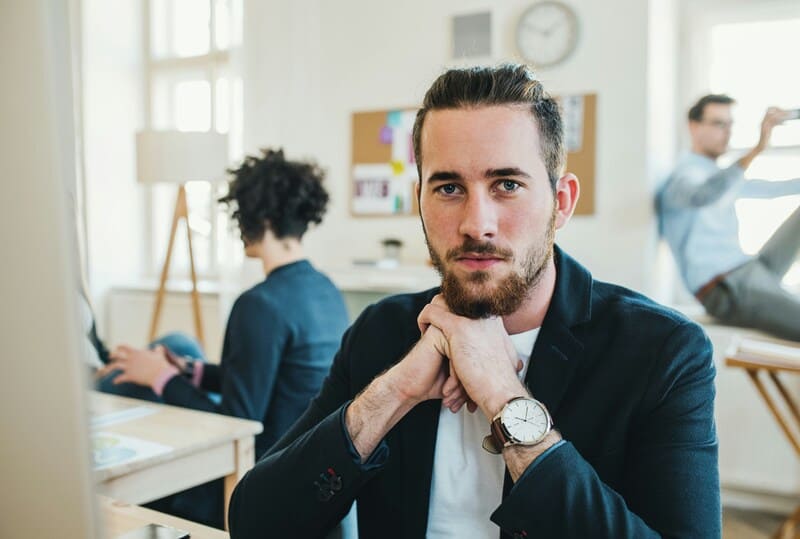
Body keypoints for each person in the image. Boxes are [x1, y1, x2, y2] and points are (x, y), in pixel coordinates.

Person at [228, 64, 720, 538]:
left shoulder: (663, 351)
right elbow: (254, 523)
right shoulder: (384, 330)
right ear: (420, 199)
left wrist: (506, 397)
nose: (475, 224)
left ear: (562, 202)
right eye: (448, 188)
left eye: (507, 185)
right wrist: (392, 394)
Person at [97, 148, 350, 528]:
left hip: (258, 477)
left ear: (258, 218)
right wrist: (188, 370)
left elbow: (236, 421)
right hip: (308, 472)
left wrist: (160, 378)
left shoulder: (259, 305)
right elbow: (271, 378)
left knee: (127, 393)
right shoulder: (326, 290)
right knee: (176, 350)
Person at [657, 94, 800, 341]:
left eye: (730, 125)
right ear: (693, 127)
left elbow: (771, 190)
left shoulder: (718, 174)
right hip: (726, 287)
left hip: (750, 269)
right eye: (718, 124)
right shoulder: (683, 176)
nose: (728, 132)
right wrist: (757, 149)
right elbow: (704, 195)